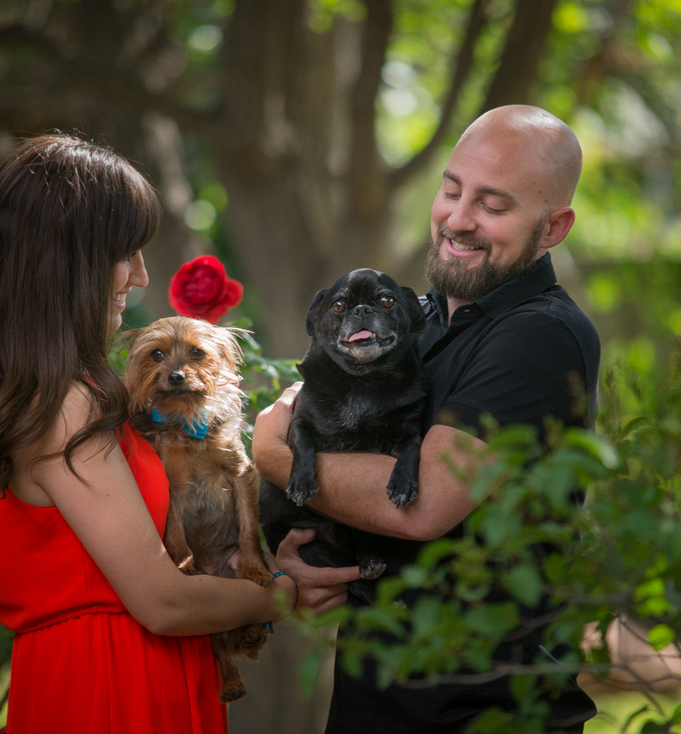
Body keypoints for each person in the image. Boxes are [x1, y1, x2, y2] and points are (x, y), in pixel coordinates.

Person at [0, 134, 297, 733]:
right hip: (114, 685)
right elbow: (164, 600)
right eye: (125, 254)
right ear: (66, 263)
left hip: (92, 673)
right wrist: (287, 593)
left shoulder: (20, 392)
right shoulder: (61, 404)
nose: (141, 276)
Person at [254, 105, 600, 732]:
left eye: (492, 206)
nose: (458, 219)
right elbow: (347, 452)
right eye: (451, 190)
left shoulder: (538, 335)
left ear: (553, 228)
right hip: (379, 703)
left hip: (484, 714)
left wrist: (275, 455)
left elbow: (422, 504)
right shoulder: (419, 321)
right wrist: (309, 562)